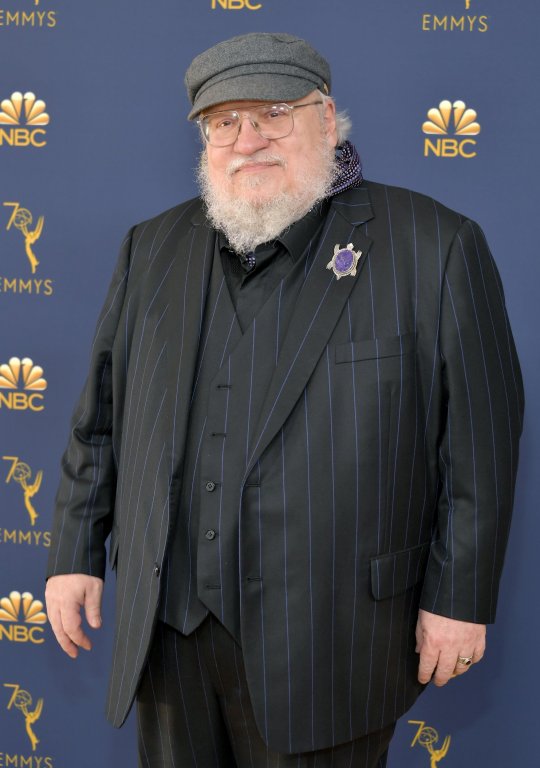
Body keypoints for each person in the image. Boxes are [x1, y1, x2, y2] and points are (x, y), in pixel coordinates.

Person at [45, 32, 524, 768]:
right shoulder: (152, 247)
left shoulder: (435, 246)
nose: (248, 140)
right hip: (169, 637)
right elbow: (101, 422)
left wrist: (458, 598)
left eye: (273, 113)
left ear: (326, 120)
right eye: (224, 122)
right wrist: (75, 552)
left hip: (330, 641)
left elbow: (479, 446)